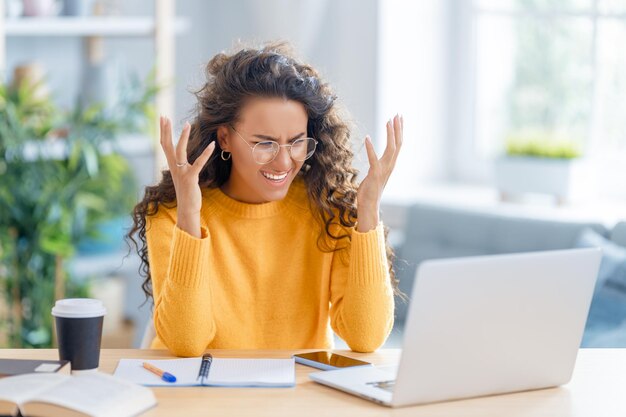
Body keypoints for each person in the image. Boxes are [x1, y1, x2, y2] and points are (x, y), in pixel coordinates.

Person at [128, 42, 404, 357]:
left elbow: (365, 337)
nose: (284, 162)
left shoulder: (328, 207)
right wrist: (190, 216)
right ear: (225, 138)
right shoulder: (171, 214)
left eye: (297, 142)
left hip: (294, 398)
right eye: (265, 143)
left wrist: (367, 211)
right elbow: (186, 342)